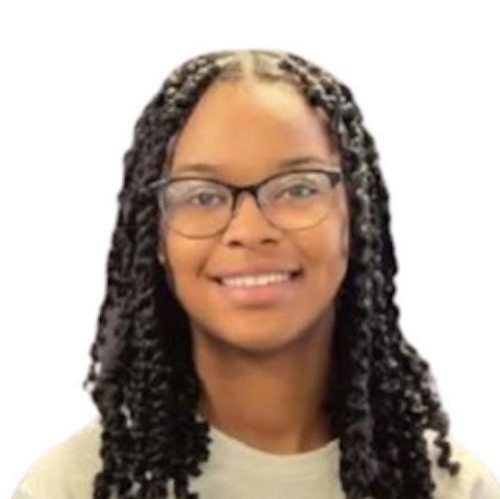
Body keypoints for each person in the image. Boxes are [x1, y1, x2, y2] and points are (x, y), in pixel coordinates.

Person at [11, 49, 500, 499]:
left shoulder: (448, 488)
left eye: (298, 188)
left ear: (357, 217)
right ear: (155, 238)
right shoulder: (73, 487)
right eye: (202, 195)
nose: (249, 229)